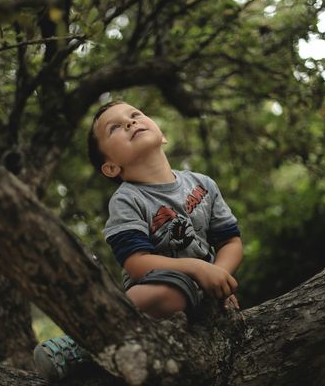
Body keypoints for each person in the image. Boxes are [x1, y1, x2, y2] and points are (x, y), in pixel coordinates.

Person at [33, 101, 243, 380]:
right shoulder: (127, 199)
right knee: (172, 290)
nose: (130, 123)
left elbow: (230, 240)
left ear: (162, 135)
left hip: (203, 295)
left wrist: (219, 277)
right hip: (153, 294)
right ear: (110, 167)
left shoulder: (202, 184)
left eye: (135, 115)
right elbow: (137, 263)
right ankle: (83, 342)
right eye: (115, 127)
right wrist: (199, 268)